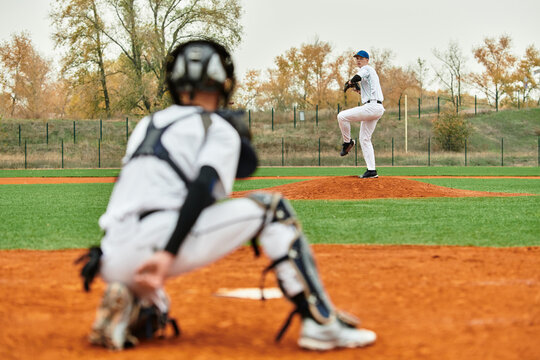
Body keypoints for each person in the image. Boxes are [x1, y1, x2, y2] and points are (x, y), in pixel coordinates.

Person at [76, 40, 376, 352]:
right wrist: (167, 253)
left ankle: (134, 301)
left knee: (152, 290)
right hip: (157, 245)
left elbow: (131, 187)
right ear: (222, 81)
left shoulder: (147, 124)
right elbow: (202, 188)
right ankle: (321, 323)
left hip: (109, 254)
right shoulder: (216, 127)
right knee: (273, 208)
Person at [338, 50, 385, 179]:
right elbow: (366, 89)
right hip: (376, 107)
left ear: (367, 60)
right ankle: (372, 170)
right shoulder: (369, 75)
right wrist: (358, 89)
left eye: (361, 58)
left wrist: (350, 82)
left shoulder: (367, 69)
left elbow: (357, 77)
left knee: (341, 116)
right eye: (357, 58)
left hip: (372, 107)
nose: (359, 60)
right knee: (365, 139)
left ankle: (347, 142)